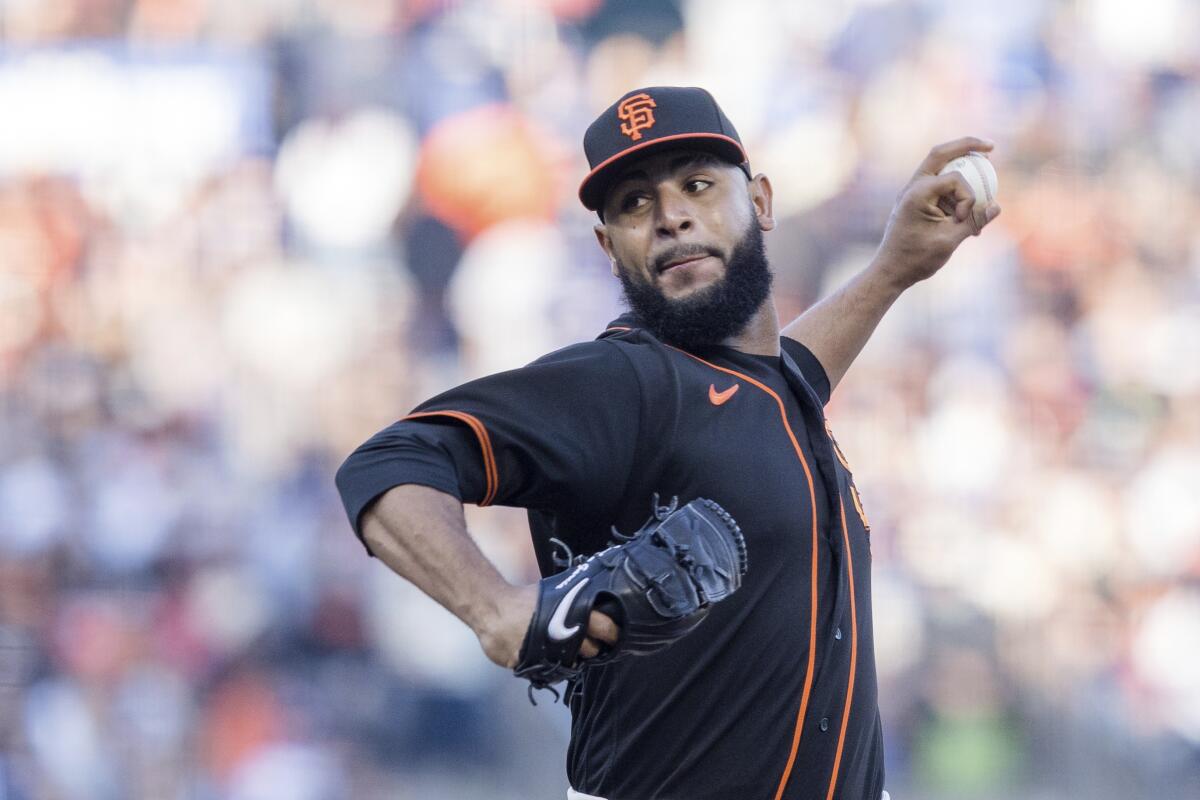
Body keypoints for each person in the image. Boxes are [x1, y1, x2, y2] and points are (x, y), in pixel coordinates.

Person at [335, 86, 1001, 800]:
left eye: (698, 184)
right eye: (633, 204)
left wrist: (893, 268)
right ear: (607, 245)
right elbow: (389, 463)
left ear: (763, 204)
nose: (671, 216)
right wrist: (493, 606)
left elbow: (783, 374)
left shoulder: (770, 391)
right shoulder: (624, 383)